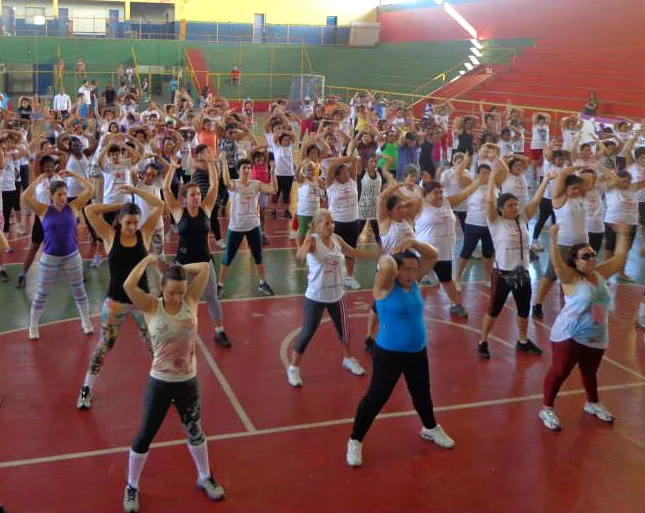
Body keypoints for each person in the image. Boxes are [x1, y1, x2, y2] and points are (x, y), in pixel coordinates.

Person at [122, 258, 225, 512]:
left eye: (180, 292)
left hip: (187, 382)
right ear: (161, 287)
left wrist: (176, 267)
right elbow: (128, 285)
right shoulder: (151, 306)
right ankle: (131, 486)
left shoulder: (190, 301)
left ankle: (204, 476)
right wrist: (148, 260)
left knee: (195, 431)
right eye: (171, 292)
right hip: (160, 382)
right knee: (145, 435)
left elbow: (205, 268)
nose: (177, 297)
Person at [346, 242, 454, 468]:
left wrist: (412, 243)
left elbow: (433, 254)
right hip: (389, 354)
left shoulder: (413, 283)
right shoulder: (384, 287)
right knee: (376, 398)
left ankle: (430, 428)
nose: (411, 273)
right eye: (405, 269)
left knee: (422, 394)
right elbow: (385, 265)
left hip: (417, 351)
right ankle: (355, 440)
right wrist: (391, 256)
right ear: (395, 268)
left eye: (414, 269)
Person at [76, 186, 164, 410]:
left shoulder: (144, 233)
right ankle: (86, 388)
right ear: (119, 221)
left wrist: (135, 190)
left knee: (154, 345)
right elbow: (90, 210)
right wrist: (120, 204)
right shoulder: (109, 235)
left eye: (135, 222)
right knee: (104, 345)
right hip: (115, 301)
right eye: (128, 223)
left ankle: (165, 387)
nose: (133, 227)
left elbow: (160, 205)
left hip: (142, 301)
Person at [538, 223, 631, 431]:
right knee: (560, 371)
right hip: (569, 333)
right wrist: (553, 238)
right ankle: (547, 408)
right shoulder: (570, 278)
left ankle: (593, 403)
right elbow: (557, 264)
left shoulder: (599, 274)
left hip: (597, 333)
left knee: (590, 372)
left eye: (593, 254)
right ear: (575, 261)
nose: (591, 259)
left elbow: (620, 258)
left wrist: (624, 234)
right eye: (585, 256)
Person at [287, 209, 379, 387]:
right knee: (307, 333)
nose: (331, 226)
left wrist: (378, 254)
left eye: (332, 222)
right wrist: (301, 253)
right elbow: (300, 255)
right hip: (316, 296)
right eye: (327, 223)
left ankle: (348, 358)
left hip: (337, 295)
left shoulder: (337, 239)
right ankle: (293, 368)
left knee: (344, 330)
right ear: (317, 225)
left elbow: (352, 252)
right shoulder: (312, 240)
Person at [477, 163, 556, 359]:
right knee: (494, 310)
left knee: (523, 310)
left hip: (522, 272)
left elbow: (536, 200)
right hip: (503, 273)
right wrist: (492, 181)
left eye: (516, 204)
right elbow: (489, 203)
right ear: (501, 209)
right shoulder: (495, 222)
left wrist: (545, 180)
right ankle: (483, 341)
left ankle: (522, 340)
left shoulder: (521, 219)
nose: (515, 207)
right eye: (510, 205)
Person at [164, 154, 233, 347]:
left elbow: (214, 187)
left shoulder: (206, 209)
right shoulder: (178, 211)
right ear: (185, 199)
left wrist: (211, 164)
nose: (197, 197)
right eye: (193, 194)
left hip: (204, 262)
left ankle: (219, 331)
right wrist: (172, 168)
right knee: (181, 299)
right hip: (183, 264)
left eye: (198, 194)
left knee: (211, 297)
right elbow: (165, 189)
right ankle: (178, 332)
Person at [20, 172, 94, 340]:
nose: (63, 197)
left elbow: (90, 188)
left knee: (79, 290)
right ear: (51, 195)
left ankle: (86, 321)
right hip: (49, 258)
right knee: (42, 293)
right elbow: (25, 196)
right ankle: (33, 326)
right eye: (59, 194)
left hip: (72, 256)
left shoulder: (73, 207)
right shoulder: (43, 209)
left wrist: (72, 174)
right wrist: (38, 179)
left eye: (65, 193)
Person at [415, 163, 479, 318]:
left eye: (441, 192)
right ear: (426, 194)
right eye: (435, 193)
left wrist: (478, 182)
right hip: (425, 252)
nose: (439, 195)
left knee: (446, 279)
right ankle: (407, 306)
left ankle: (456, 304)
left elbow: (465, 193)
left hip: (444, 252)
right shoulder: (419, 205)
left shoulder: (448, 202)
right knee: (413, 280)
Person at [532, 168, 588, 320]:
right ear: (565, 188)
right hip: (563, 244)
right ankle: (537, 304)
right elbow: (563, 175)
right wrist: (577, 164)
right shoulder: (558, 199)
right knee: (551, 275)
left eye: (578, 188)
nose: (576, 190)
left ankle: (573, 304)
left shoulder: (581, 198)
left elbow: (588, 180)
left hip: (582, 245)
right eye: (573, 188)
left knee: (578, 276)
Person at [218, 158, 277, 297]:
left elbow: (273, 188)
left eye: (249, 168)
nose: (246, 170)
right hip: (236, 227)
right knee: (228, 257)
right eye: (244, 167)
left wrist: (273, 171)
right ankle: (220, 285)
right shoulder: (235, 184)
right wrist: (224, 162)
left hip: (253, 226)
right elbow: (226, 182)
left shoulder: (256, 185)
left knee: (258, 256)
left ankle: (262, 283)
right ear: (238, 170)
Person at [325, 156, 363, 290]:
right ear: (337, 175)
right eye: (343, 173)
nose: (347, 175)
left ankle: (350, 277)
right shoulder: (331, 185)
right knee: (332, 251)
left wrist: (353, 159)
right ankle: (331, 277)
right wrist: (347, 158)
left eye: (347, 172)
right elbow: (331, 167)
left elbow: (354, 164)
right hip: (336, 223)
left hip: (353, 222)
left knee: (350, 251)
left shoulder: (352, 181)